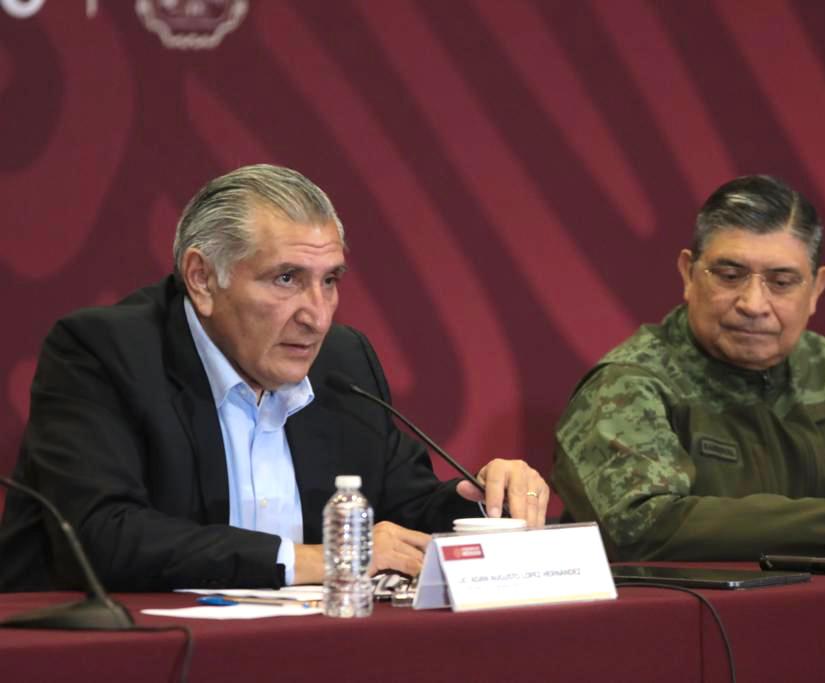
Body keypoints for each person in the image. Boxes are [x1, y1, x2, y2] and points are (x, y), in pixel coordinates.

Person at [0, 164, 549, 591]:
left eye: (329, 280)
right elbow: (102, 538)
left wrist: (484, 506)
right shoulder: (106, 353)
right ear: (202, 279)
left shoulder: (342, 360)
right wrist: (324, 559)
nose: (318, 315)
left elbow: (402, 511)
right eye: (286, 278)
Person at [553, 175, 825, 561]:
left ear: (816, 289)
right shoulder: (631, 383)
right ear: (689, 275)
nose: (753, 304)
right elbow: (640, 527)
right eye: (729, 276)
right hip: (688, 642)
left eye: (781, 282)